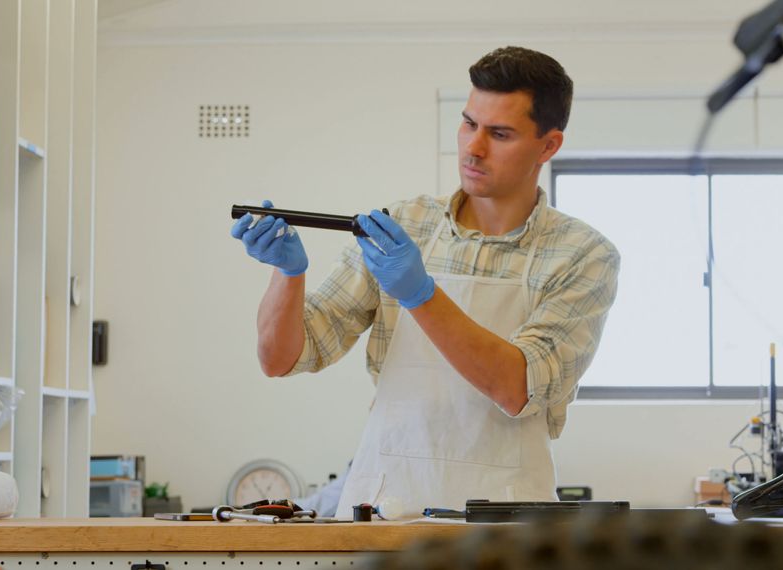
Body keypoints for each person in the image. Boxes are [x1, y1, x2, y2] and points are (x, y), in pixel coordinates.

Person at [230, 46, 620, 520]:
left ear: (548, 145)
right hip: (384, 507)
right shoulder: (406, 224)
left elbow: (518, 386)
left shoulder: (583, 255)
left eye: (499, 133)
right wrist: (288, 275)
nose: (473, 148)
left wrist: (420, 294)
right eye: (468, 123)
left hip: (506, 521)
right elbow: (282, 357)